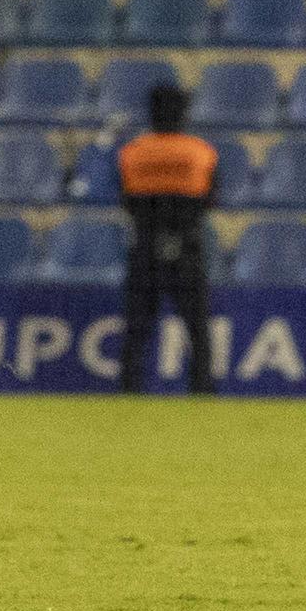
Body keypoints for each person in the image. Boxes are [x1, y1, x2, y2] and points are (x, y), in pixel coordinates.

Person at [117, 84, 218, 395]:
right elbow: (210, 199)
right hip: (187, 245)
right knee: (197, 329)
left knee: (137, 328)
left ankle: (129, 393)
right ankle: (202, 393)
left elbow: (127, 201)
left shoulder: (132, 153)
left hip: (145, 246)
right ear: (184, 113)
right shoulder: (201, 152)